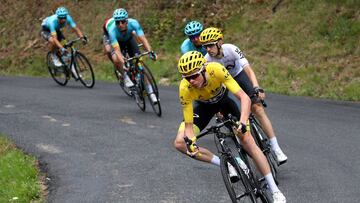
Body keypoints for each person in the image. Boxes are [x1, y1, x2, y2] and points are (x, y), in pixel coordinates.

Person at [174, 51, 286, 203]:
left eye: (194, 76)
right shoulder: (184, 87)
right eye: (187, 77)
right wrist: (191, 142)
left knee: (247, 140)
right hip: (204, 108)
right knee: (180, 143)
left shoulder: (216, 69)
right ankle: (225, 163)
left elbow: (244, 97)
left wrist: (243, 122)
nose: (191, 81)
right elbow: (188, 123)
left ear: (204, 69)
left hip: (224, 103)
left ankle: (275, 190)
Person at [199, 27, 288, 165]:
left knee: (257, 108)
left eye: (210, 45)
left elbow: (249, 70)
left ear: (220, 42)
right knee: (232, 118)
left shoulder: (231, 49)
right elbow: (212, 89)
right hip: (224, 83)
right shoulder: (206, 61)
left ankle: (276, 148)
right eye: (205, 47)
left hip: (239, 75)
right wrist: (217, 110)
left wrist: (257, 87)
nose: (208, 49)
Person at [103, 8, 157, 103]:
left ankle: (151, 91)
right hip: (116, 40)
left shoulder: (134, 23)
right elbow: (117, 50)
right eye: (117, 22)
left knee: (140, 61)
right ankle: (124, 76)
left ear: (127, 21)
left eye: (123, 22)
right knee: (116, 58)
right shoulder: (112, 30)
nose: (120, 25)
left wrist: (150, 51)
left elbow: (143, 39)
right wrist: (123, 62)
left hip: (128, 38)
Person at [40, 6, 87, 78]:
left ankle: (72, 70)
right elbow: (55, 39)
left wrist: (82, 38)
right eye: (61, 18)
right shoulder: (52, 22)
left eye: (64, 17)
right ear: (57, 17)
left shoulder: (68, 18)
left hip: (57, 30)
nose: (63, 20)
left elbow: (76, 29)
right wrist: (61, 48)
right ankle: (53, 55)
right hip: (46, 30)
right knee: (53, 41)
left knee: (66, 46)